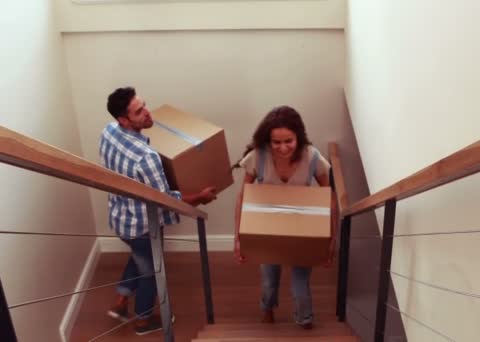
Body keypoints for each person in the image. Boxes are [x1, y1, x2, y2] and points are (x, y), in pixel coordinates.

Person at [100, 87, 217, 336]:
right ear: (124, 120)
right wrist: (200, 197)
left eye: (145, 105)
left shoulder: (109, 131)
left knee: (141, 258)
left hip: (119, 218)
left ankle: (121, 302)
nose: (148, 113)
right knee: (152, 272)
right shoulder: (146, 157)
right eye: (139, 111)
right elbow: (165, 200)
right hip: (142, 226)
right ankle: (143, 320)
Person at [233, 105, 337, 329]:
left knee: (300, 283)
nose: (282, 148)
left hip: (302, 228)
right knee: (270, 280)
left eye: (288, 141)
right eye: (276, 142)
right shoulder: (257, 157)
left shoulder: (312, 158)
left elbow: (328, 199)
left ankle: (305, 319)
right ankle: (267, 308)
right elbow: (244, 198)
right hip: (267, 228)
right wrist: (239, 238)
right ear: (268, 141)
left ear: (298, 137)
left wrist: (330, 241)